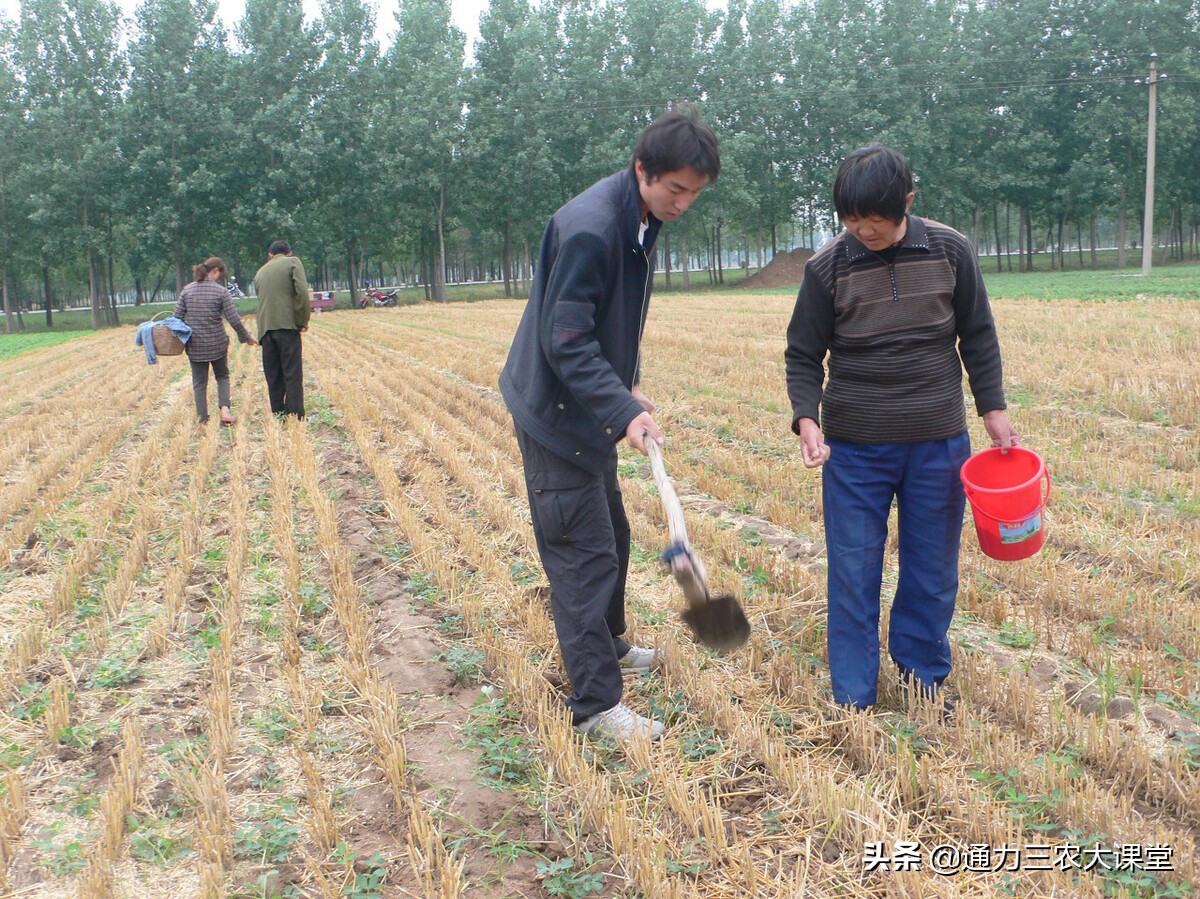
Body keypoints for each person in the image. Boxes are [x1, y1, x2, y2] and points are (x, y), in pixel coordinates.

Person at [499, 107, 720, 742]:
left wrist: (626, 387)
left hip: (587, 406)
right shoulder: (596, 229)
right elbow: (565, 341)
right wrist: (621, 409)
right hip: (556, 414)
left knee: (614, 535)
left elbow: (604, 319)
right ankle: (596, 705)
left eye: (693, 195)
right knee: (582, 555)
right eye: (675, 190)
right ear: (642, 169)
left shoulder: (640, 218)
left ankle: (611, 642)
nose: (682, 204)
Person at [784, 143, 1018, 713]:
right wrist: (807, 419)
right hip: (855, 450)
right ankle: (854, 696)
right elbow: (802, 353)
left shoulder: (949, 251)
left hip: (937, 441)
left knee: (932, 569)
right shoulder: (827, 266)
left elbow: (978, 334)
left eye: (877, 219)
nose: (863, 229)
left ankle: (923, 679)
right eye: (851, 218)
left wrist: (993, 408)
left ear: (907, 203)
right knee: (853, 569)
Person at [174, 257, 256, 425]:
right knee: (222, 376)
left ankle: (202, 419)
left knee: (199, 383)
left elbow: (176, 319)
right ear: (216, 270)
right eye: (221, 275)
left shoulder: (187, 290)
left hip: (195, 345)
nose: (220, 279)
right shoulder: (221, 292)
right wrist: (246, 337)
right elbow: (233, 319)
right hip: (217, 343)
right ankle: (225, 410)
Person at [253, 240, 310, 418]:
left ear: (270, 255)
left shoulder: (260, 272)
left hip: (265, 329)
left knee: (273, 374)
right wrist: (301, 319)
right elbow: (301, 291)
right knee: (291, 372)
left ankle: (277, 413)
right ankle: (295, 414)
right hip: (286, 326)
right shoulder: (292, 262)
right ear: (288, 252)